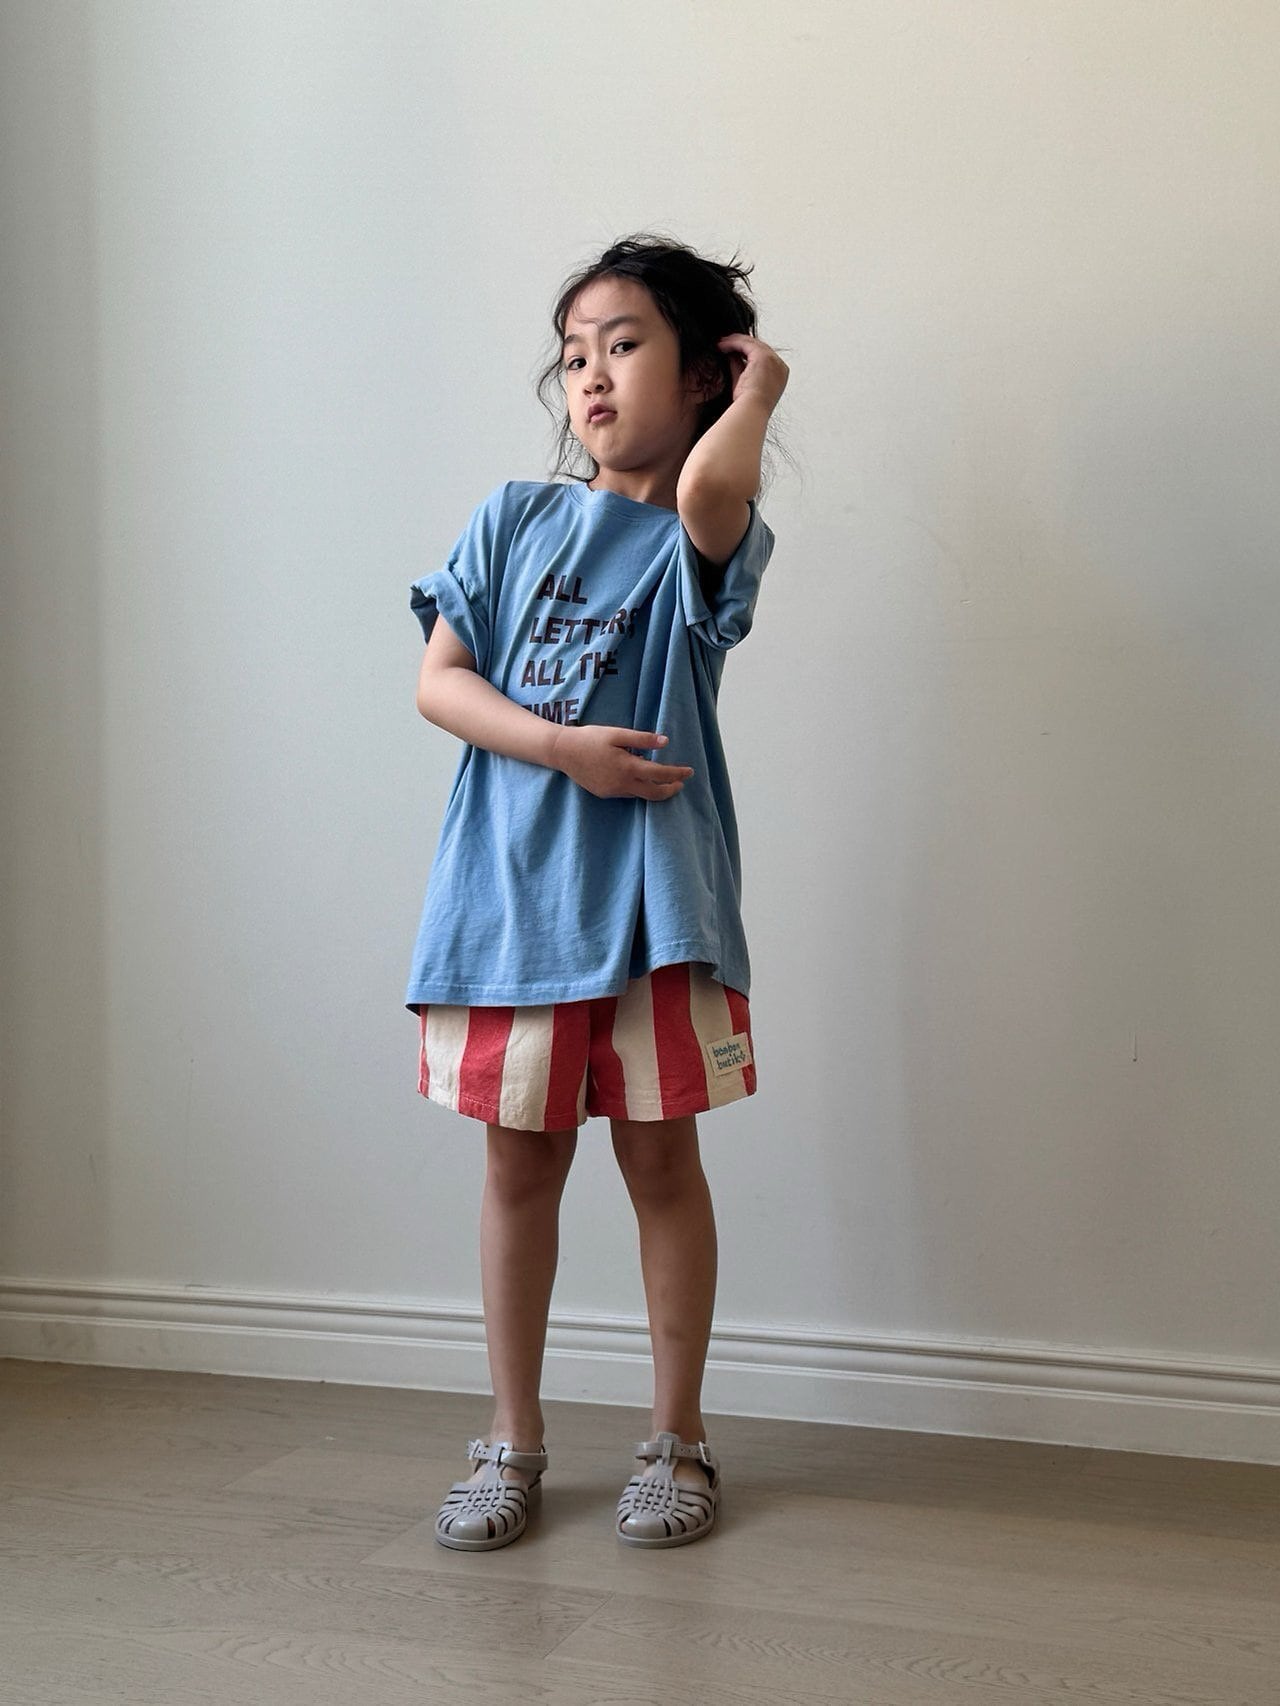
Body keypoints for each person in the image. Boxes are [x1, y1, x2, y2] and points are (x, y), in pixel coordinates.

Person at [404, 234, 789, 1551]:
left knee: (662, 1162)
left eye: (625, 345)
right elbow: (440, 682)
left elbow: (715, 488)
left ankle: (677, 1437)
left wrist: (758, 394)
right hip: (511, 905)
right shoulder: (514, 519)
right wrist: (561, 747)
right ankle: (511, 1437)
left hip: (654, 913)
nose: (592, 376)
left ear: (702, 375)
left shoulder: (702, 538)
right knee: (518, 1167)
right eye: (575, 355)